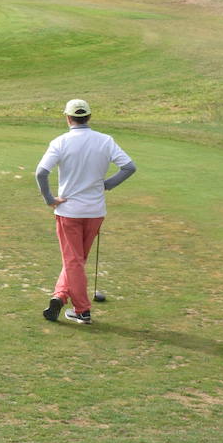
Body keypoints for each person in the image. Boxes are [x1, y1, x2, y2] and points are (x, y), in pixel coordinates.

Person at [36, 99, 136, 325]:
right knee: (76, 260)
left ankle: (82, 310)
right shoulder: (105, 141)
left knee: (73, 261)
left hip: (68, 211)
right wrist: (107, 184)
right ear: (89, 117)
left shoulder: (60, 142)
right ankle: (60, 296)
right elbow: (129, 167)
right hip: (95, 211)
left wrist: (50, 200)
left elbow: (41, 173)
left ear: (67, 117)